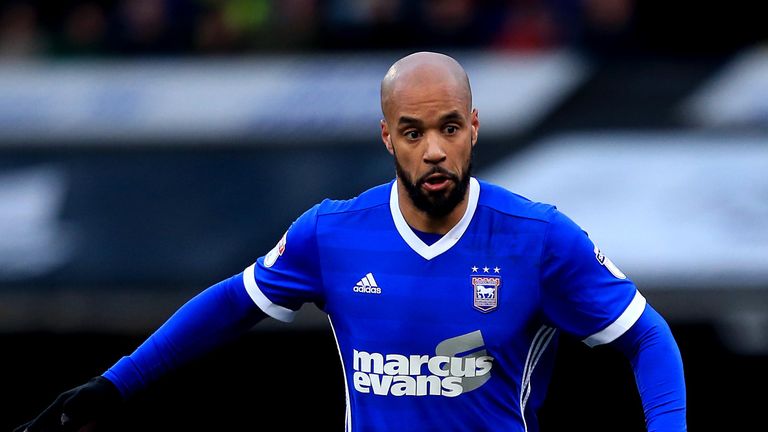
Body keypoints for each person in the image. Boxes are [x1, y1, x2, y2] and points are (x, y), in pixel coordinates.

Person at [16, 51, 686, 432]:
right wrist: (114, 386)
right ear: (387, 136)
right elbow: (232, 304)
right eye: (415, 132)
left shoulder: (538, 240)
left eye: (450, 128)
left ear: (475, 127)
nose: (434, 151)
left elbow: (647, 335)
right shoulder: (332, 233)